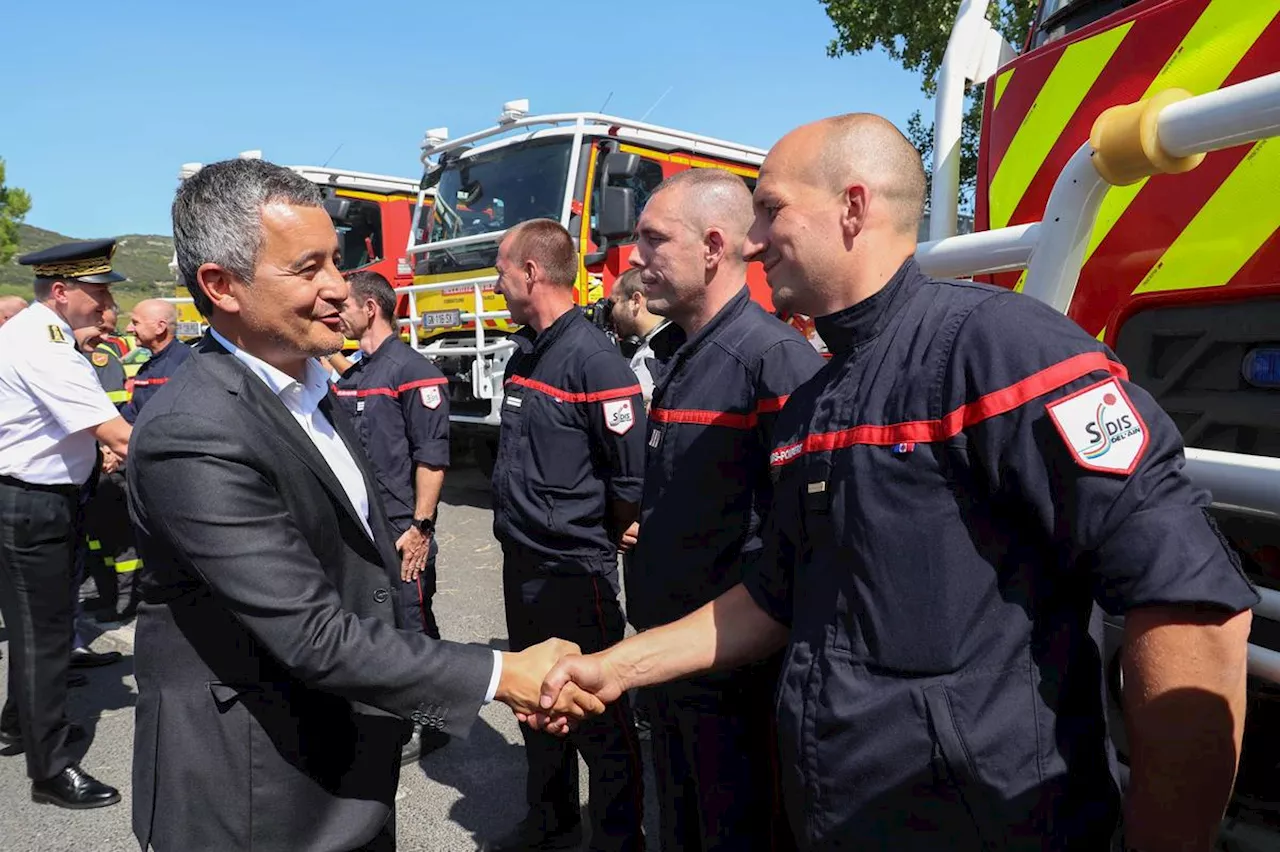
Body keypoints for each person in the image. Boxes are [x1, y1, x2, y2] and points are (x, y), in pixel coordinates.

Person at [536, 114, 1259, 851]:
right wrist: (615, 669)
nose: (752, 241)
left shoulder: (1002, 349)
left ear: (853, 207)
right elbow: (770, 600)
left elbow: (1189, 599)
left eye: (771, 210)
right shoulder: (817, 401)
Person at [126, 158, 600, 852]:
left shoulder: (311, 387)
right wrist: (504, 675)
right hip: (256, 798)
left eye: (336, 264)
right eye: (307, 268)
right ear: (221, 285)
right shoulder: (193, 430)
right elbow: (312, 634)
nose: (336, 290)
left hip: (344, 766)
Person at [622, 167, 824, 852]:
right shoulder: (682, 355)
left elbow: (800, 544)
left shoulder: (774, 361)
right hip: (674, 667)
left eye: (652, 240)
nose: (634, 258)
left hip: (735, 683)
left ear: (712, 247)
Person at [488, 219, 646, 852]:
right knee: (534, 708)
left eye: (502, 270)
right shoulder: (529, 350)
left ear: (531, 272)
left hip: (572, 573)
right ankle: (550, 821)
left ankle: (616, 837)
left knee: (596, 716)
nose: (496, 284)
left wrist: (593, 539)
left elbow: (629, 477)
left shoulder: (594, 359)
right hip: (521, 564)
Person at [0, 238, 133, 809]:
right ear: (62, 292)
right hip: (33, 502)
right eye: (97, 291)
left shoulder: (38, 334)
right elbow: (117, 434)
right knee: (45, 637)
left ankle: (17, 727)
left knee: (38, 631)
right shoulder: (45, 348)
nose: (104, 303)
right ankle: (50, 770)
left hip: (36, 497)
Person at [334, 269, 452, 763]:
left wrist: (420, 529)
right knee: (381, 622)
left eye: (343, 305)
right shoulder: (358, 372)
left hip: (404, 527)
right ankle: (402, 713)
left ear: (370, 308)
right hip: (368, 526)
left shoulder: (412, 370)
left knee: (413, 623)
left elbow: (432, 458)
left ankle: (436, 721)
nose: (335, 312)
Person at [607, 267, 673, 411]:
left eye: (614, 303)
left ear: (635, 301)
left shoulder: (653, 354)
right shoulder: (663, 342)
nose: (611, 313)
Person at [120, 298, 192, 423]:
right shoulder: (146, 369)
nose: (129, 329)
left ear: (160, 327)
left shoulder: (189, 363)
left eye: (135, 323)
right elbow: (134, 415)